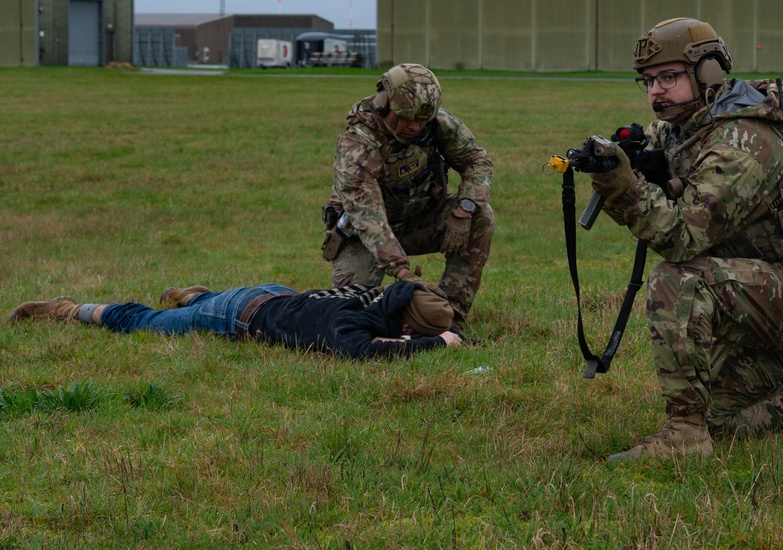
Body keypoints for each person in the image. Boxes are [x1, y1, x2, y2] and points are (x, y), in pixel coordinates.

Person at [581, 17, 783, 463]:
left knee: (678, 280)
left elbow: (684, 238)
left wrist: (627, 189)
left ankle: (685, 435)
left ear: (707, 73)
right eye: (648, 81)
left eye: (669, 77)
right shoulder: (683, 130)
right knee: (724, 421)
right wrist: (619, 173)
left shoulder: (744, 139)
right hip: (752, 287)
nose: (656, 92)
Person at [322, 63, 495, 337]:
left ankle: (448, 317)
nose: (414, 126)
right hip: (363, 236)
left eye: (421, 120)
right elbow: (367, 216)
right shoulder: (358, 143)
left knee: (482, 218)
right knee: (351, 316)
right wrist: (402, 272)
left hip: (417, 222)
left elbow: (477, 162)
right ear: (385, 104)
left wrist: (465, 209)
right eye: (406, 118)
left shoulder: (437, 125)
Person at [7, 281, 462, 359]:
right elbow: (361, 352)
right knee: (145, 322)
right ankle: (71, 310)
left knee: (198, 306)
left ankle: (193, 295)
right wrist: (438, 344)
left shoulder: (370, 297)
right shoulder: (348, 326)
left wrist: (452, 332)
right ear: (403, 327)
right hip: (234, 317)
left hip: (272, 295)